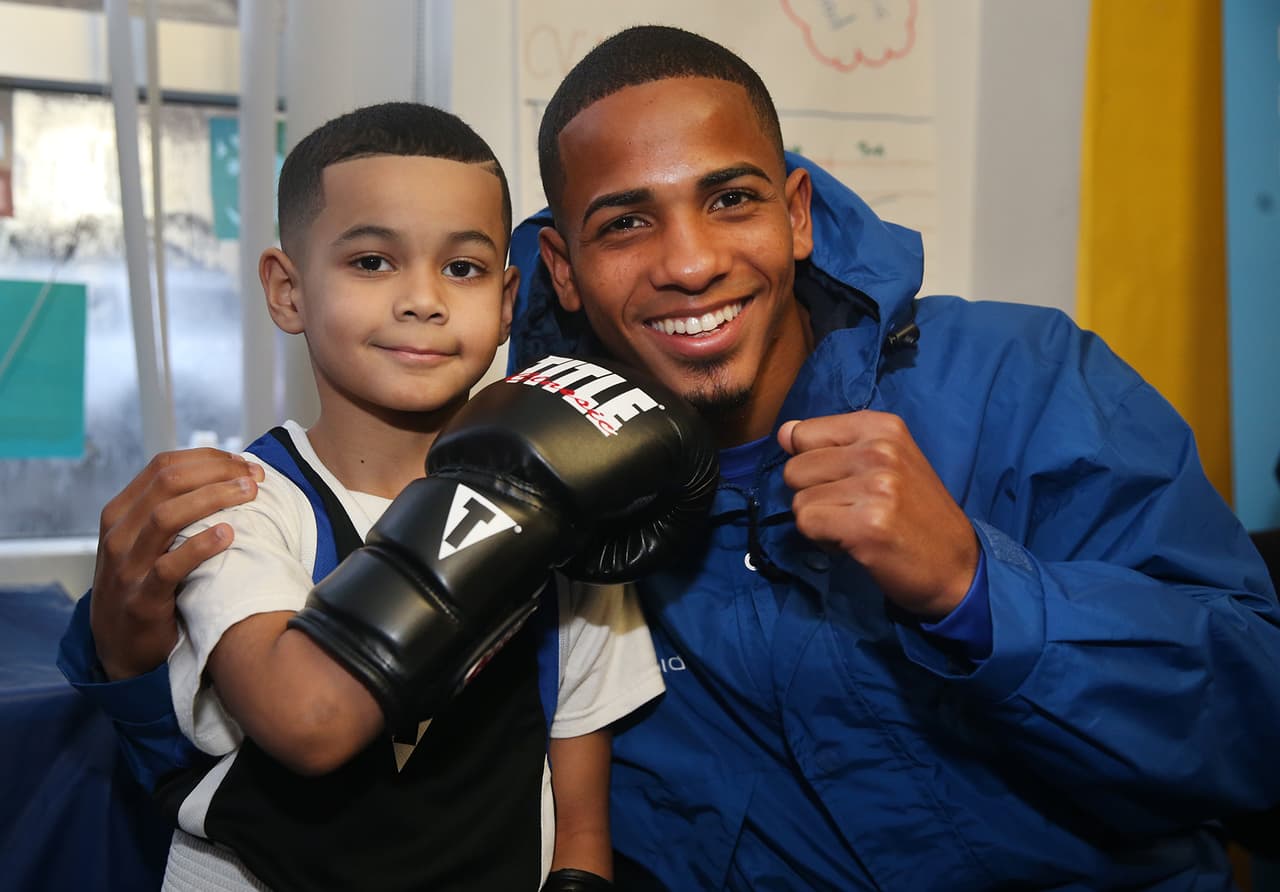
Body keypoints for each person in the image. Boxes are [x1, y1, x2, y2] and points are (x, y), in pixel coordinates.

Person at [63, 26, 1280, 891]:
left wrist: (976, 587)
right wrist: (122, 654)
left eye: (731, 200)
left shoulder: (1017, 384)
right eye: (625, 222)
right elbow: (329, 773)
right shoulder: (525, 463)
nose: (689, 261)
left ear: (796, 214)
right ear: (561, 272)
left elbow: (1256, 726)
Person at [64, 101, 677, 892]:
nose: (422, 299)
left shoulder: (569, 512)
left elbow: (582, 799)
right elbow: (307, 723)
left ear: (505, 302)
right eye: (371, 262)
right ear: (287, 291)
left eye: (462, 268)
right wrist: (498, 511)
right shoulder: (241, 503)